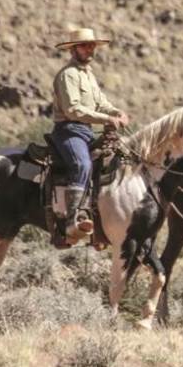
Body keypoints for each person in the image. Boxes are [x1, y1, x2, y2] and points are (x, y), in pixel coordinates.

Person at [51, 28, 129, 247]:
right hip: (69, 130)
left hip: (85, 131)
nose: (90, 49)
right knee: (82, 163)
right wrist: (106, 119)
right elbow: (72, 109)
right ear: (73, 49)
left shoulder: (88, 74)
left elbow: (101, 102)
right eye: (85, 45)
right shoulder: (68, 75)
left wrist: (116, 112)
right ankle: (72, 220)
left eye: (92, 45)